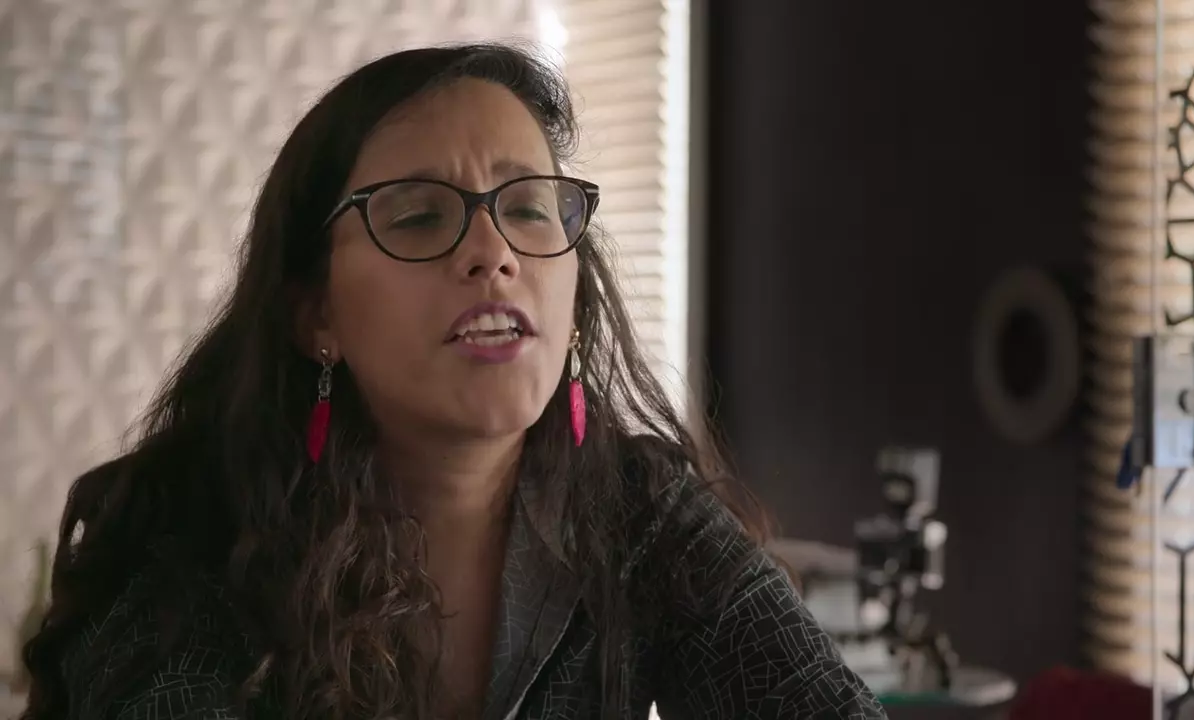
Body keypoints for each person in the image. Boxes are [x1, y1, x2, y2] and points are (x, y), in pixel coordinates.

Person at [18, 43, 886, 720]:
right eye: (419, 216)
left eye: (529, 207)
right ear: (316, 315)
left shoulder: (639, 515)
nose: (494, 252)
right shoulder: (188, 533)